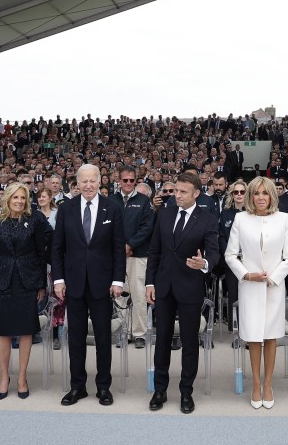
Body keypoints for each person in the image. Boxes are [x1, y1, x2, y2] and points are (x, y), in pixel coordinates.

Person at [50, 164, 126, 407]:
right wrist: (59, 279)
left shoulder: (112, 208)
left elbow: (118, 248)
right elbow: (57, 248)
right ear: (76, 183)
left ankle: (103, 387)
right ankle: (77, 386)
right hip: (73, 284)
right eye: (84, 181)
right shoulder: (66, 210)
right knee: (76, 337)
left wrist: (117, 280)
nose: (89, 185)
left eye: (93, 180)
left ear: (100, 181)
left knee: (103, 337)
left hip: (102, 285)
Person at [145, 172, 219, 414]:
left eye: (182, 191)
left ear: (196, 193)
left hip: (190, 286)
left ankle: (186, 391)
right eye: (175, 190)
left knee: (189, 342)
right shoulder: (164, 214)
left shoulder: (207, 219)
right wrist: (149, 283)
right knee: (163, 339)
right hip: (164, 286)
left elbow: (214, 252)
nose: (176, 195)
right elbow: (154, 251)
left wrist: (205, 263)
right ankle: (160, 390)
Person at [225, 176, 288, 409]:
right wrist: (247, 275)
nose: (261, 198)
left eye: (265, 193)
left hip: (274, 287)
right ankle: (255, 384)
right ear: (250, 196)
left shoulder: (283, 219)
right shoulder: (240, 219)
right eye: (257, 193)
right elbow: (230, 255)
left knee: (271, 336)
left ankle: (268, 384)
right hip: (250, 287)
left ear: (272, 196)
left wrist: (273, 278)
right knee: (254, 336)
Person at [0, 182, 48, 400]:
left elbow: (41, 253)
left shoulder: (35, 220)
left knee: (25, 331)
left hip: (28, 281)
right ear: (7, 199)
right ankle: (4, 377)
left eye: (23, 197)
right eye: (16, 197)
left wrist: (41, 284)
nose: (20, 201)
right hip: (2, 281)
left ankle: (22, 377)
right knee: (3, 331)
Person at [114, 165, 154, 349]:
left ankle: (139, 333)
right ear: (119, 181)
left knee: (138, 294)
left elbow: (147, 227)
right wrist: (119, 247)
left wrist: (130, 245)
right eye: (125, 180)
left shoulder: (143, 201)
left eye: (132, 180)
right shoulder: (110, 200)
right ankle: (124, 332)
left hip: (138, 255)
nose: (129, 183)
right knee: (120, 295)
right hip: (115, 256)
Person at [217, 180, 246, 331]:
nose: (239, 195)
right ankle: (235, 329)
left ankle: (248, 329)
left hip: (250, 261)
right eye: (236, 192)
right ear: (232, 195)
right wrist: (230, 256)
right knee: (233, 295)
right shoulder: (226, 213)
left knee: (248, 296)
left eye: (242, 192)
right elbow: (221, 237)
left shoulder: (253, 212)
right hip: (232, 261)